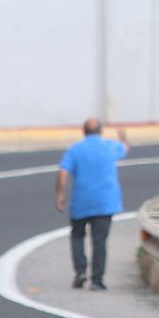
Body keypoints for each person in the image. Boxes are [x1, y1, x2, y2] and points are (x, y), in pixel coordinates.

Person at [55, 118, 128, 290]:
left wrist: (60, 194)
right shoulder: (110, 146)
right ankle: (97, 280)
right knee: (100, 240)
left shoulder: (74, 150)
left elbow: (63, 172)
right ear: (101, 131)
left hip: (81, 201)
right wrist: (123, 137)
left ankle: (80, 271)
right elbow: (124, 148)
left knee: (77, 235)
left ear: (83, 131)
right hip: (105, 202)